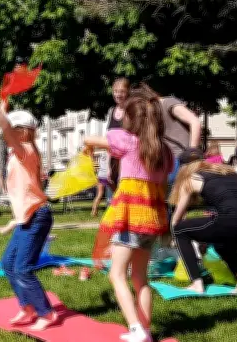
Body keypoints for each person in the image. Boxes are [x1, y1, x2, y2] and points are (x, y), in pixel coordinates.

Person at [83, 95, 173, 342]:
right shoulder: (165, 152)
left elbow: (90, 139)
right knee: (141, 278)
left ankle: (136, 328)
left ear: (131, 120)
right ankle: (145, 330)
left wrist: (87, 145)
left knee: (117, 275)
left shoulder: (128, 142)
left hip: (130, 220)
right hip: (152, 221)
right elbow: (163, 188)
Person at [0, 80, 57, 331]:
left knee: (23, 268)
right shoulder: (20, 151)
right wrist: (2, 106)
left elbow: (4, 127)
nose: (8, 133)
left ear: (24, 131)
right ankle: (28, 306)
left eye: (14, 129)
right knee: (8, 264)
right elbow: (5, 126)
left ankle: (46, 313)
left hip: (37, 217)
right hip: (28, 218)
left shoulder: (25, 150)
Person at [169, 153, 237, 294]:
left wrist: (175, 239)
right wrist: (207, 238)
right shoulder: (228, 173)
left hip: (235, 222)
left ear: (184, 168)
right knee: (222, 244)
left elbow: (176, 220)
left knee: (180, 230)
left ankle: (196, 284)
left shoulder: (191, 178)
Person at [104, 78, 130, 187]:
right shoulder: (111, 111)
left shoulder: (131, 110)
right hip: (113, 160)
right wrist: (107, 167)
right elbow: (108, 140)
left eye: (122, 91)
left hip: (127, 160)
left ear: (128, 92)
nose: (118, 95)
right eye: (116, 91)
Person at [91, 151, 112, 217]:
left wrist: (96, 170)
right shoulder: (111, 152)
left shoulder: (100, 152)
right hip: (108, 176)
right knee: (115, 193)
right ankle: (113, 210)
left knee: (99, 194)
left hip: (100, 175)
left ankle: (94, 211)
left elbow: (92, 155)